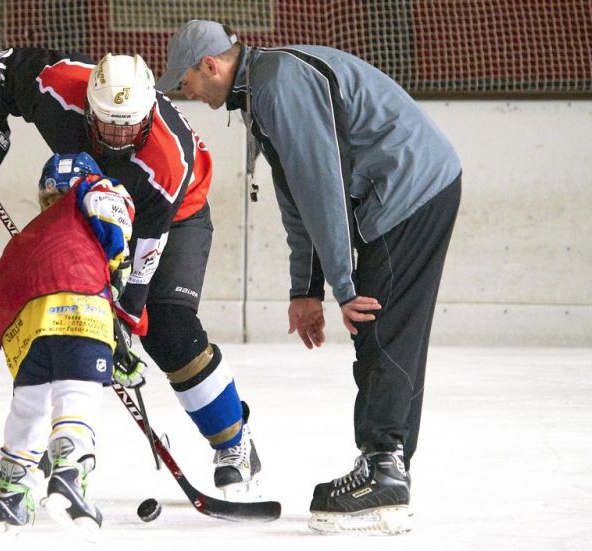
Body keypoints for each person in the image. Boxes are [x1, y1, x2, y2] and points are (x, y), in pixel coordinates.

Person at [156, 20, 462, 535]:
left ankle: (384, 470)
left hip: (407, 189)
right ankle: (389, 463)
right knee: (388, 328)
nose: (184, 93)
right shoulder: (264, 87)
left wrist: (343, 287)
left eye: (184, 81)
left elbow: (325, 184)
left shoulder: (277, 83)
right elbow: (298, 196)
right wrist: (306, 291)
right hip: (414, 184)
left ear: (210, 65)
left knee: (380, 327)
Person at [0, 51, 263, 499]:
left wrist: (125, 320)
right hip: (92, 199)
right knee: (61, 316)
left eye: (127, 126)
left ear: (148, 112)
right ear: (88, 104)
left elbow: (145, 260)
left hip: (173, 218)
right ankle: (41, 447)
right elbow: (3, 64)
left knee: (168, 330)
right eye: (106, 123)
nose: (115, 137)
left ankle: (234, 443)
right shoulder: (59, 87)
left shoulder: (167, 162)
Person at [0, 152, 134, 543]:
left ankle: (11, 493)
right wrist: (120, 311)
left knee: (30, 403)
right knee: (77, 389)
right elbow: (114, 226)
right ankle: (68, 474)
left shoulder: (28, 236)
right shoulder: (94, 188)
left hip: (21, 319)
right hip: (78, 295)